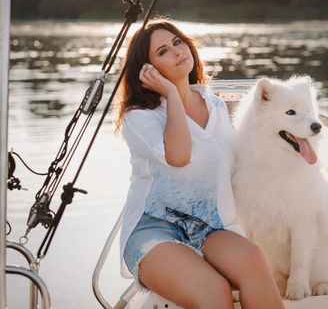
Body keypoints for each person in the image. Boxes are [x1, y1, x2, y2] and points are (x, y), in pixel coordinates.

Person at [115, 18, 285, 309]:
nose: (177, 51)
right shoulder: (140, 116)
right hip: (154, 229)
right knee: (214, 290)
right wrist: (171, 93)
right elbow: (179, 158)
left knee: (254, 264)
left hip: (209, 226)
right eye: (163, 51)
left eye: (178, 42)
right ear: (148, 70)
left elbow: (235, 165)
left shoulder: (215, 106)